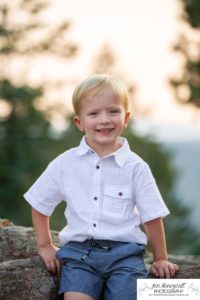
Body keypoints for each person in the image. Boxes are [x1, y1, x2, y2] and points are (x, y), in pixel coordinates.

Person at [24, 74, 178, 300]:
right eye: (94, 113)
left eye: (113, 111)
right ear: (79, 122)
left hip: (124, 256)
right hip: (79, 256)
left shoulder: (136, 167)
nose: (104, 119)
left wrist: (160, 259)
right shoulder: (65, 163)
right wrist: (46, 245)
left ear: (126, 118)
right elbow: (39, 203)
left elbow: (152, 216)